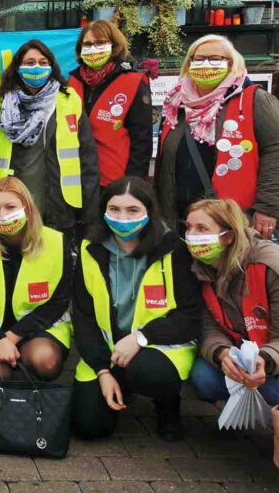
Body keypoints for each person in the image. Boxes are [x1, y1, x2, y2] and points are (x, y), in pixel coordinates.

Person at [72, 177, 201, 442]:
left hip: (158, 346)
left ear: (149, 212)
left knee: (148, 373)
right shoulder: (90, 249)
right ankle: (119, 381)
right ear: (103, 212)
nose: (123, 217)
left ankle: (167, 405)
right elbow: (83, 317)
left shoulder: (175, 250)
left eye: (133, 210)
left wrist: (141, 338)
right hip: (109, 352)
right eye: (114, 209)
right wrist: (102, 371)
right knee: (88, 427)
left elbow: (189, 316)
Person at [157, 34, 279, 239]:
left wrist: (267, 208)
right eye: (198, 59)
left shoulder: (256, 99)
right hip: (182, 220)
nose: (205, 64)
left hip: (231, 220)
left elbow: (277, 152)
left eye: (215, 58)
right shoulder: (177, 104)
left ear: (231, 63)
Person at [185, 198, 279, 406]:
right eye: (189, 227)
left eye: (202, 229)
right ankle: (241, 413)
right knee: (203, 377)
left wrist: (265, 359)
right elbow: (209, 329)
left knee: (272, 389)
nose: (191, 236)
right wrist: (222, 353)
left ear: (228, 236)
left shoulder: (274, 267)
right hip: (242, 354)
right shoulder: (200, 267)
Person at [0, 176, 71, 382]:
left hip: (35, 327)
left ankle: (21, 368)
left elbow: (60, 301)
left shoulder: (56, 241)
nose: (3, 215)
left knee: (46, 360)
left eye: (10, 207)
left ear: (27, 207)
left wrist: (10, 337)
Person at [0, 39, 99, 237]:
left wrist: (89, 206)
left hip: (60, 202)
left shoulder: (68, 98)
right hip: (11, 203)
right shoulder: (0, 102)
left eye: (43, 62)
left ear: (51, 66)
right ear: (17, 67)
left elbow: (87, 154)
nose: (37, 67)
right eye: (30, 62)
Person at [68, 20, 152, 186]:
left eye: (100, 43)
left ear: (114, 45)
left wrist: (132, 184)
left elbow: (142, 142)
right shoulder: (72, 81)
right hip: (77, 180)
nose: (93, 49)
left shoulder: (132, 82)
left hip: (114, 181)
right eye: (87, 44)